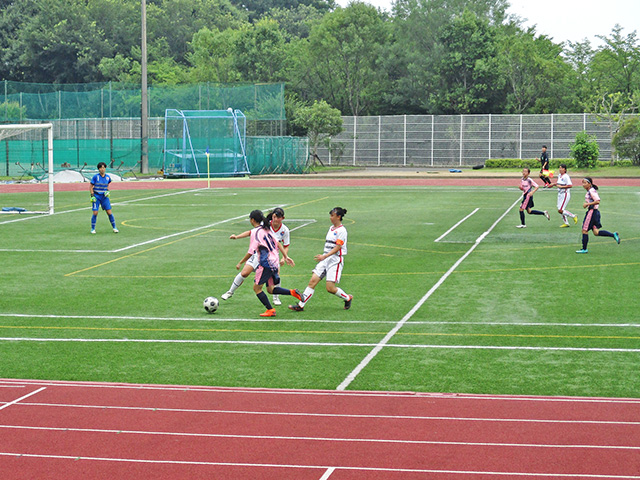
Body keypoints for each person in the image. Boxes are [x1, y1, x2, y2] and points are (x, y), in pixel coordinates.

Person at [232, 210, 301, 317]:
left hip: (265, 263)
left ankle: (270, 310)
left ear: (252, 220)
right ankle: (292, 292)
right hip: (274, 261)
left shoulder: (256, 232)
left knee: (257, 288)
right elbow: (277, 243)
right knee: (270, 289)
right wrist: (285, 256)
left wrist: (240, 262)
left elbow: (251, 251)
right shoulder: (267, 229)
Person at [221, 207, 291, 305]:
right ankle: (230, 292)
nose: (276, 219)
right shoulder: (265, 225)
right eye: (275, 216)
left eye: (278, 217)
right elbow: (250, 232)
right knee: (244, 273)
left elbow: (284, 245)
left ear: (282, 218)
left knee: (275, 278)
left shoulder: (285, 230)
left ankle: (276, 298)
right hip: (259, 254)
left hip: (272, 257)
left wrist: (284, 257)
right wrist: (237, 236)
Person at [289, 207, 353, 312]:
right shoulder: (331, 228)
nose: (330, 218)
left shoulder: (342, 230)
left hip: (335, 260)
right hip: (325, 259)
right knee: (312, 281)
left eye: (332, 215)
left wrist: (325, 256)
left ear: (339, 217)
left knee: (330, 288)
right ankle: (301, 305)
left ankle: (347, 298)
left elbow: (338, 247)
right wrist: (324, 257)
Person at [576, 178, 620, 254]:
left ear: (589, 184)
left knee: (584, 230)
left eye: (585, 183)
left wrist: (587, 204)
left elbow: (597, 201)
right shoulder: (590, 191)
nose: (583, 185)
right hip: (595, 213)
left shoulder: (591, 191)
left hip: (592, 213)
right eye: (583, 183)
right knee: (596, 232)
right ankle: (613, 235)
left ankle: (584, 249)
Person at [90, 162, 118, 234]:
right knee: (95, 212)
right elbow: (91, 186)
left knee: (109, 212)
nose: (102, 169)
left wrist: (107, 191)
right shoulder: (96, 177)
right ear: (99, 169)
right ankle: (93, 229)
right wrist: (92, 195)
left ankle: (114, 227)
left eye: (104, 168)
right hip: (96, 196)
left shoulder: (107, 177)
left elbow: (108, 184)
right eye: (101, 168)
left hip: (104, 197)